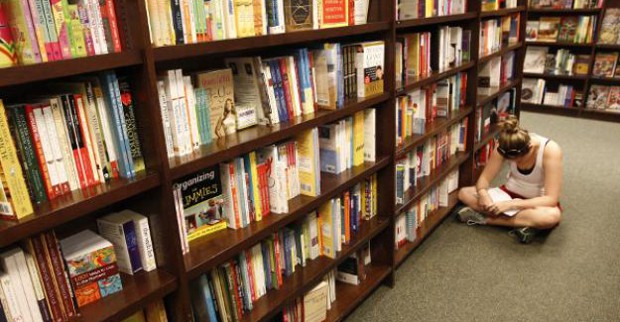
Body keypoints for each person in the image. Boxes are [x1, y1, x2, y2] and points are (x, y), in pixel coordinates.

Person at [456, 115, 563, 243]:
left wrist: (511, 205)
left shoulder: (551, 150)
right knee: (464, 193)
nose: (515, 163)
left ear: (530, 147)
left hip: (535, 202)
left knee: (550, 217)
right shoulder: (504, 144)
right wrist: (483, 194)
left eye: (518, 159)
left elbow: (551, 199)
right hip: (507, 194)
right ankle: (526, 224)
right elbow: (484, 180)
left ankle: (486, 219)